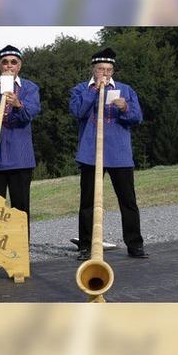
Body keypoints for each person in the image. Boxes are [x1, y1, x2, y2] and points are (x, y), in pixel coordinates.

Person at [69, 48, 148, 260]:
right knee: (88, 202)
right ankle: (86, 246)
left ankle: (135, 245)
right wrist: (94, 90)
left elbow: (137, 117)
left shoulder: (125, 89)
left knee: (128, 200)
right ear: (93, 70)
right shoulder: (80, 90)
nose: (105, 73)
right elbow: (77, 112)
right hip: (90, 153)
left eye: (109, 69)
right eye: (101, 69)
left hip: (119, 153)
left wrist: (124, 108)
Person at [0, 45, 40, 238]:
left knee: (20, 206)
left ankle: (20, 248)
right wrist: (0, 91)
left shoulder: (30, 87)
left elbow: (31, 113)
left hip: (20, 155)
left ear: (19, 66)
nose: (9, 66)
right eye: (5, 62)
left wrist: (18, 104)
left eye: (13, 62)